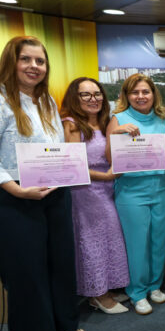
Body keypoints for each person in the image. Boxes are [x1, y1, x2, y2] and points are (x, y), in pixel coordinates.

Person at [0, 35, 87, 331]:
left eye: (40, 61)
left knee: (60, 263)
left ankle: (66, 325)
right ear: (10, 62)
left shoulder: (44, 102)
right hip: (12, 196)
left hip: (53, 193)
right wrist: (15, 188)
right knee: (26, 270)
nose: (34, 66)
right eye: (26, 59)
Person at [61, 77, 129, 314]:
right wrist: (107, 177)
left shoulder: (104, 123)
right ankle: (98, 294)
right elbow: (72, 167)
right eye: (86, 95)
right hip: (85, 193)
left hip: (106, 190)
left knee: (108, 240)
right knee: (93, 244)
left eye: (97, 94)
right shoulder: (72, 125)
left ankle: (104, 288)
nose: (94, 99)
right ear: (74, 98)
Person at [106, 73, 165, 315]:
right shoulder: (118, 119)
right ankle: (137, 292)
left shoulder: (164, 119)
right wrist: (117, 133)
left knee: (157, 242)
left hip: (161, 188)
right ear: (127, 96)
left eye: (146, 92)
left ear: (154, 94)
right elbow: (110, 158)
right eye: (135, 92)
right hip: (132, 192)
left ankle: (155, 285)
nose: (141, 96)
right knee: (137, 245)